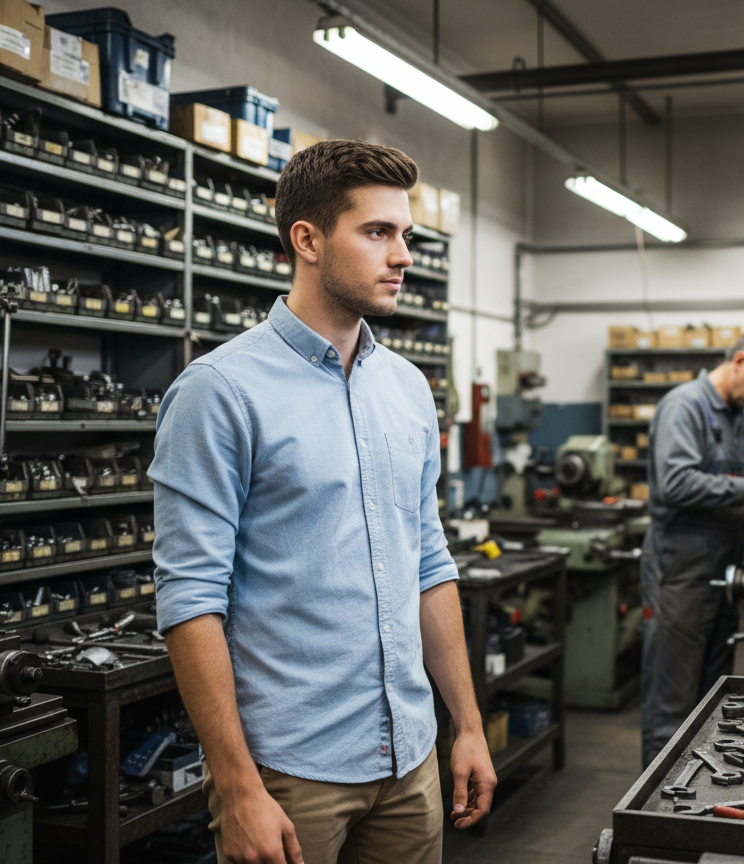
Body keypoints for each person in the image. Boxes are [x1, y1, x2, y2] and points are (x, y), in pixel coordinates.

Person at [150, 140, 495, 864]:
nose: (403, 255)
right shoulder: (221, 391)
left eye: (406, 235)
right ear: (306, 239)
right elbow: (190, 599)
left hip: (410, 756)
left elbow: (428, 561)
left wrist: (465, 723)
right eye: (377, 232)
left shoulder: (407, 388)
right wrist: (238, 786)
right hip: (289, 769)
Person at [639, 326, 744, 767]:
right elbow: (674, 484)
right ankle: (657, 819)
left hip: (724, 573)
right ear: (741, 361)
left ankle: (696, 799)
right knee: (671, 706)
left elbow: (732, 494)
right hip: (680, 576)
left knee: (709, 702)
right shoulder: (684, 407)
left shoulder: (741, 418)